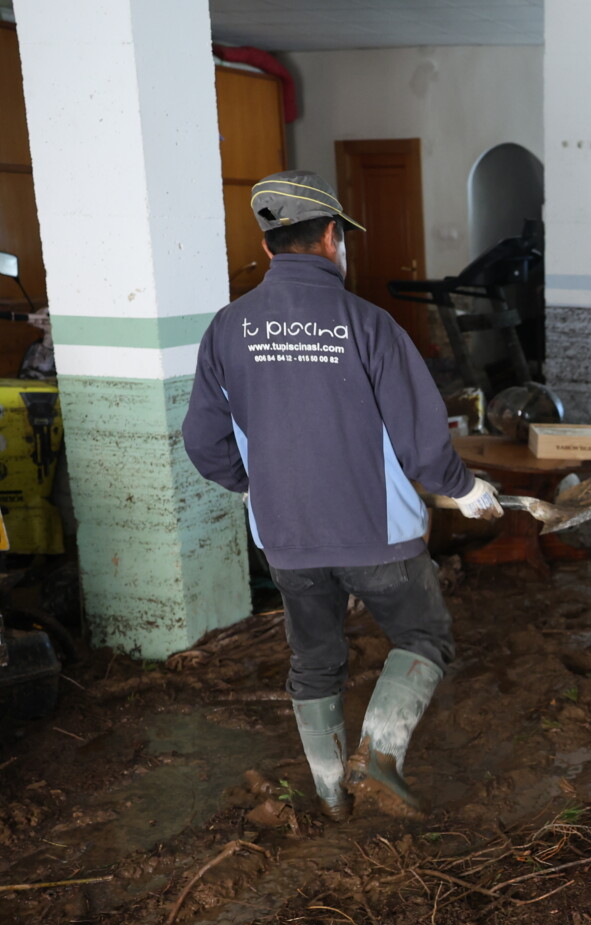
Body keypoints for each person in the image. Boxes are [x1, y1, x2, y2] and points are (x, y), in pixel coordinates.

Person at [182, 170, 502, 819]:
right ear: (333, 238)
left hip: (287, 537)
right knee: (423, 634)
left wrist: (251, 487)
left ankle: (332, 798)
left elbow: (201, 440)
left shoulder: (227, 328)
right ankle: (377, 758)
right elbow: (420, 436)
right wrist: (463, 490)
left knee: (316, 656)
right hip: (375, 533)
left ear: (270, 247)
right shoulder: (369, 325)